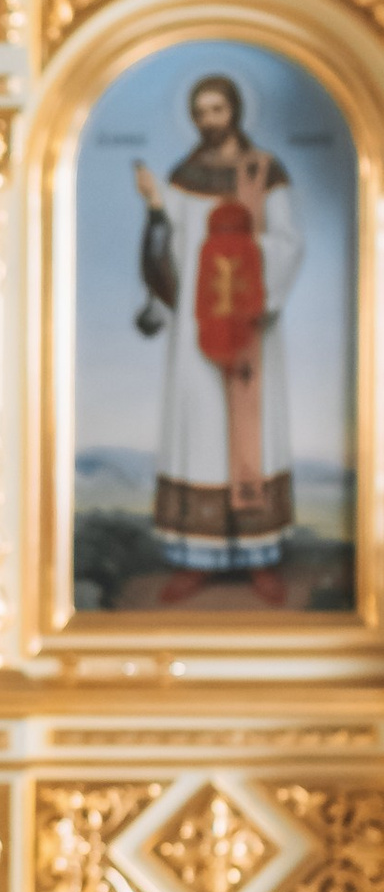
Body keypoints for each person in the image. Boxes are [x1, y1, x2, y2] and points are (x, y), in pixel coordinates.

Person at [134, 71, 304, 592]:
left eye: (217, 110)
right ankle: (196, 557)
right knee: (200, 428)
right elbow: (175, 252)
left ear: (235, 111)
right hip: (196, 329)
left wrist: (251, 278)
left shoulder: (263, 171)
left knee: (253, 427)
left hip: (250, 324)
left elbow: (288, 242)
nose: (209, 121)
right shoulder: (184, 174)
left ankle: (260, 555)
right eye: (200, 112)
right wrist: (158, 209)